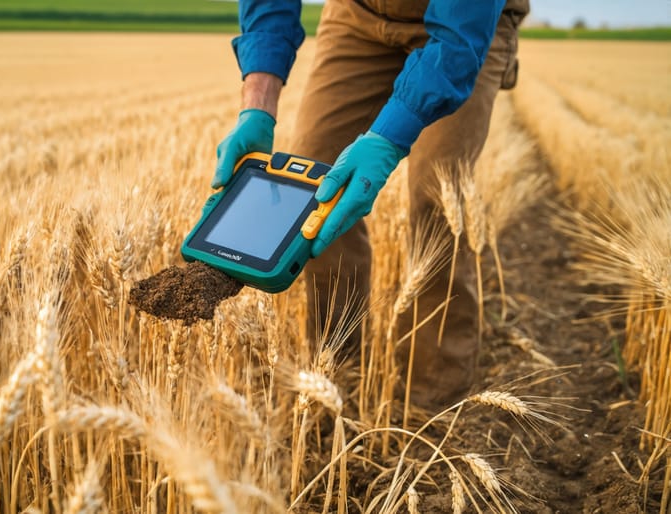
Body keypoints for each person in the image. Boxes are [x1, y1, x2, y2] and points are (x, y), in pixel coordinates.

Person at [213, 0, 529, 408]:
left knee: (437, 197)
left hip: (460, 22)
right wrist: (257, 104)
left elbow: (457, 36)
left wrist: (388, 137)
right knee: (315, 182)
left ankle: (432, 403)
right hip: (356, 13)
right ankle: (337, 381)